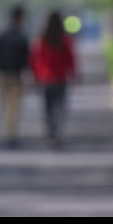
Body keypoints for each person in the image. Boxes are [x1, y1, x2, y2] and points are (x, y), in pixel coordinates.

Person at [30, 11, 78, 148]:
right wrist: (74, 74)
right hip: (60, 78)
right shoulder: (65, 39)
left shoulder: (41, 39)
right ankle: (57, 133)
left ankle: (50, 133)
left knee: (48, 108)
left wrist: (35, 75)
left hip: (45, 79)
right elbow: (70, 58)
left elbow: (35, 59)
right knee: (60, 107)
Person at [0, 5, 30, 148]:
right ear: (20, 18)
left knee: (6, 105)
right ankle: (11, 134)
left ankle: (8, 132)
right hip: (16, 76)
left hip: (4, 75)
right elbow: (27, 60)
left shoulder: (2, 36)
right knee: (14, 106)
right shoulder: (22, 37)